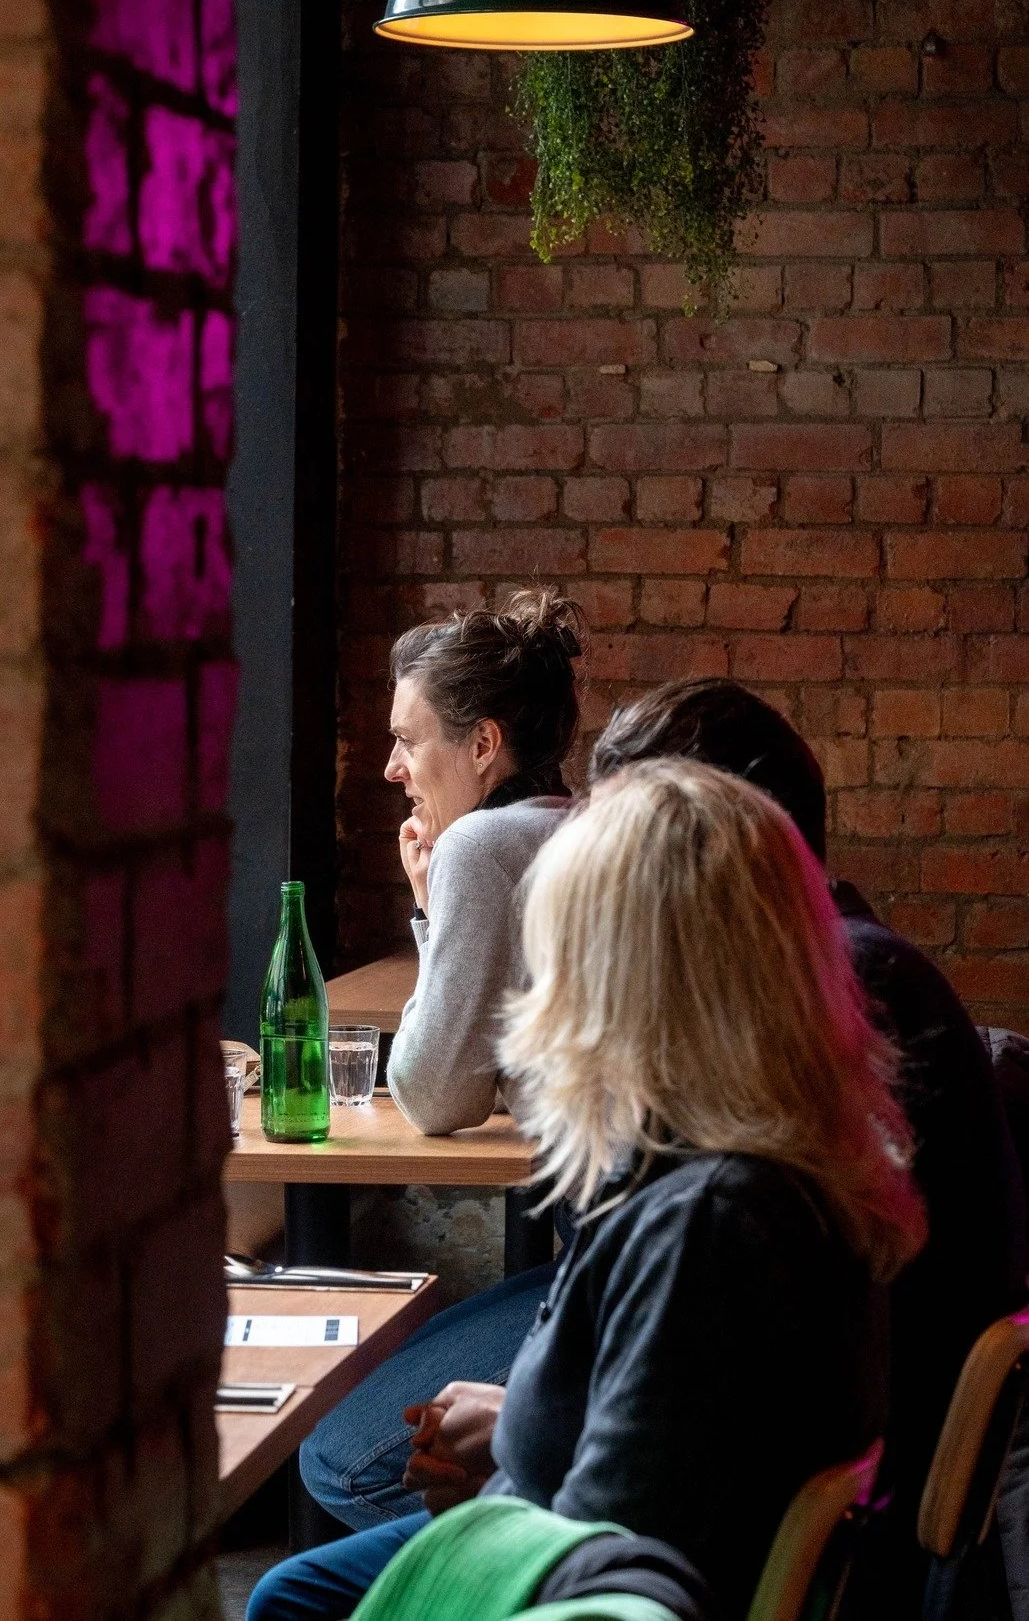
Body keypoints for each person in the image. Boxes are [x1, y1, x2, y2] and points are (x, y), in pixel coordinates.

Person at [300, 679, 1026, 1609]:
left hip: (742, 1517)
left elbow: (650, 1483)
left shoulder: (762, 1128)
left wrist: (521, 1455)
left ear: (689, 878)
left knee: (342, 1461)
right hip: (758, 1472)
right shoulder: (828, 991)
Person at [381, 588, 580, 1135]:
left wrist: (431, 918)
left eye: (407, 741)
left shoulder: (478, 846)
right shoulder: (579, 822)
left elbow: (436, 1098)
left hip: (613, 1197)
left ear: (483, 744)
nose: (392, 769)